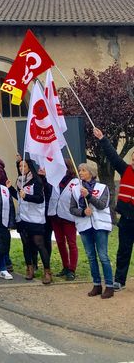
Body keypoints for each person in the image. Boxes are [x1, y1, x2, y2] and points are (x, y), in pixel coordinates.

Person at [94, 127, 134, 292]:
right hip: (126, 219)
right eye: (133, 158)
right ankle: (119, 280)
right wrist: (103, 138)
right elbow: (113, 156)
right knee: (123, 251)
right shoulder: (125, 170)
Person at [69, 163, 114, 299]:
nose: (80, 173)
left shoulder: (102, 187)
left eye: (83, 170)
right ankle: (97, 284)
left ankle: (110, 286)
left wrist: (88, 196)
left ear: (91, 173)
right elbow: (71, 209)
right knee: (91, 256)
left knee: (103, 256)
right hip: (85, 226)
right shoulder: (76, 189)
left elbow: (102, 205)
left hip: (100, 226)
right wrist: (83, 212)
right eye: (79, 170)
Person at [7, 159, 51, 284]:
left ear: (29, 167)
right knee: (26, 244)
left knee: (39, 244)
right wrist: (11, 189)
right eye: (20, 166)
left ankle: (47, 271)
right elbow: (20, 198)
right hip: (22, 217)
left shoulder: (36, 181)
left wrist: (27, 196)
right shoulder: (20, 181)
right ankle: (29, 268)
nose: (22, 167)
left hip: (35, 218)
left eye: (24, 165)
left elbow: (40, 199)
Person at [47, 159, 79, 281]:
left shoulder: (75, 182)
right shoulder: (54, 180)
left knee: (71, 243)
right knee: (60, 242)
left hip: (68, 216)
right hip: (55, 215)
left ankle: (72, 269)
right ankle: (65, 266)